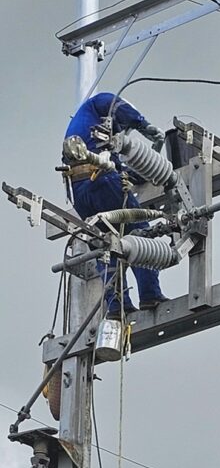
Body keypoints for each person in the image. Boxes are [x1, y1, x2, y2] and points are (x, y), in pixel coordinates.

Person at [63, 92, 168, 313]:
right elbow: (115, 104)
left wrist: (150, 167)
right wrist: (144, 125)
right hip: (101, 180)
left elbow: (122, 171)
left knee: (106, 245)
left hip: (80, 192)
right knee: (140, 234)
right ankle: (150, 295)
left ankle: (117, 306)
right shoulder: (97, 103)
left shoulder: (90, 138)